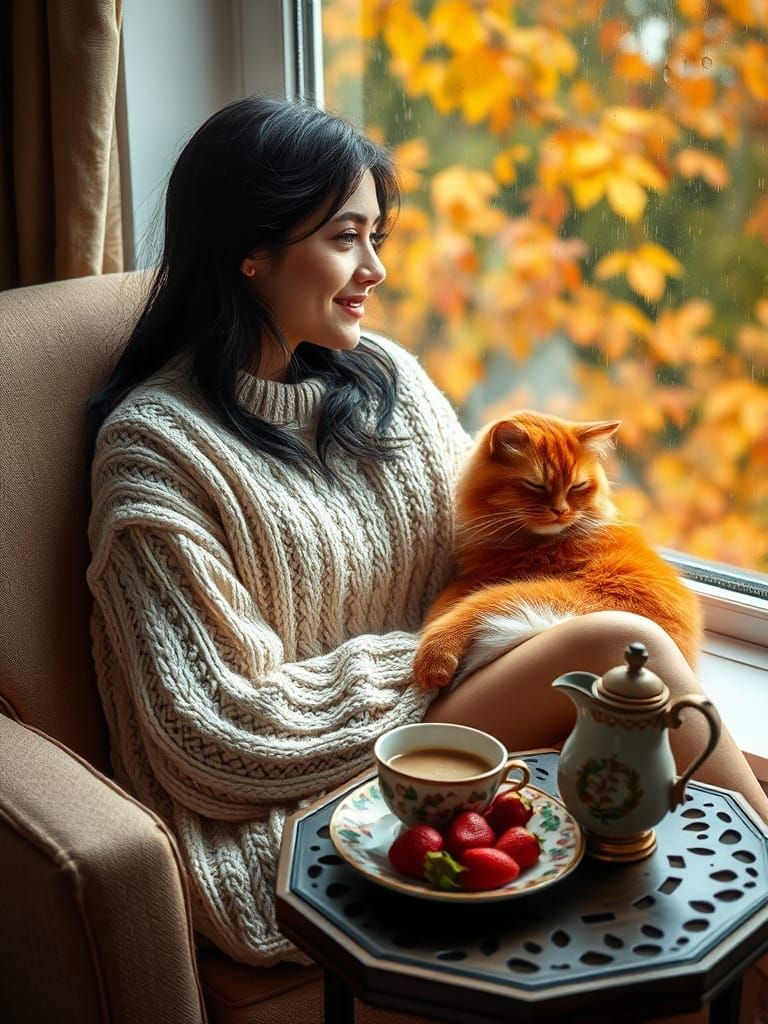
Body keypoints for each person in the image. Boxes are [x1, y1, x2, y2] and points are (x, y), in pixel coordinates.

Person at [86, 95, 768, 969]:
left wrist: (491, 626)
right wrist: (439, 655)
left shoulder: (388, 382)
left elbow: (500, 547)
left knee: (634, 749)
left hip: (438, 725)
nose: (375, 269)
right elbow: (207, 732)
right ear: (249, 252)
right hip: (288, 806)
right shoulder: (153, 448)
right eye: (345, 238)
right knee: (618, 650)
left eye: (379, 237)